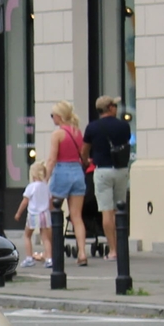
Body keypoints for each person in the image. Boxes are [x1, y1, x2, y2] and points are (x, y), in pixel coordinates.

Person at [83, 95, 133, 264]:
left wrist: (87, 161)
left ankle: (113, 250)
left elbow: (84, 151)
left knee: (106, 211)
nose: (116, 108)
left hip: (102, 170)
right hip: (121, 170)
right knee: (120, 209)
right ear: (110, 108)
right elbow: (125, 142)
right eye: (115, 105)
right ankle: (121, 247)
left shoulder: (92, 128)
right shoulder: (123, 126)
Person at [47, 102, 90, 266]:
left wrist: (45, 179)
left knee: (53, 213)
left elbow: (52, 159)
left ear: (59, 116)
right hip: (77, 172)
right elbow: (83, 155)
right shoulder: (77, 132)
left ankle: (52, 251)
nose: (52, 118)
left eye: (53, 115)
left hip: (62, 171)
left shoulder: (57, 134)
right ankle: (82, 252)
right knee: (76, 216)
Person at [16, 157, 54, 263]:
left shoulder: (31, 187)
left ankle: (29, 257)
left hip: (33, 214)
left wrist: (18, 213)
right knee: (45, 238)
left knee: (27, 235)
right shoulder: (46, 187)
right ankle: (49, 258)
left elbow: (25, 201)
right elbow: (50, 202)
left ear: (33, 175)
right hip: (45, 214)